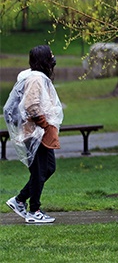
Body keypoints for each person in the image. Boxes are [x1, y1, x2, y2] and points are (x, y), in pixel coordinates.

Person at [4, 45, 63, 224]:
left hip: (39, 132)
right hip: (34, 133)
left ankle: (19, 200)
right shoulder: (36, 79)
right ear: (44, 60)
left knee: (48, 168)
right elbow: (31, 105)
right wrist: (45, 125)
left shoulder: (38, 78)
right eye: (50, 56)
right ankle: (34, 210)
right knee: (39, 172)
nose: (53, 59)